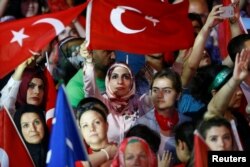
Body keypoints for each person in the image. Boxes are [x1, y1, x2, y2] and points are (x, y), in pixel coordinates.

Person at [136, 69, 191, 165]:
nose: (159, 95)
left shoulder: (187, 123)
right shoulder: (141, 124)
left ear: (178, 95)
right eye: (155, 90)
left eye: (167, 91)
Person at [76, 97, 117, 167]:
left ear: (106, 125)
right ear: (81, 130)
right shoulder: (76, 155)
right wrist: (106, 153)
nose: (91, 128)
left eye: (97, 122)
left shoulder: (123, 150)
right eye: (85, 125)